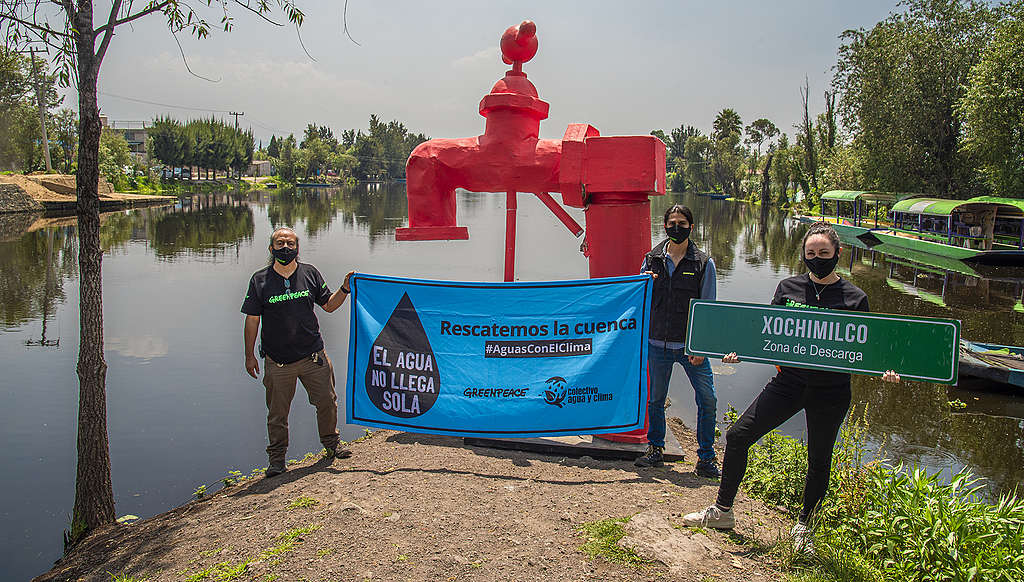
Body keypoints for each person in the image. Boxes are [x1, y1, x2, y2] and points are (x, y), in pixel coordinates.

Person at [682, 221, 900, 550]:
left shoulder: (856, 298)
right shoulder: (788, 288)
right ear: (803, 255)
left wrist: (886, 371)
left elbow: (868, 350)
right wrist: (737, 352)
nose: (817, 257)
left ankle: (803, 529)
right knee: (738, 435)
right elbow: (765, 336)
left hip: (831, 391)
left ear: (838, 254)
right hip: (789, 383)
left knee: (819, 459)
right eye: (811, 253)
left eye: (824, 253)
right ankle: (723, 511)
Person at [242, 226, 355, 477]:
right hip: (278, 362)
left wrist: (345, 288)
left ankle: (332, 444)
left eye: (290, 244)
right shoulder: (260, 280)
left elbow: (328, 306)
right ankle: (277, 459)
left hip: (313, 357)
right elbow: (252, 320)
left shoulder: (310, 273)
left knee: (327, 402)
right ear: (271, 248)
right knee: (277, 413)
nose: (285, 248)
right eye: (280, 244)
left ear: (297, 248)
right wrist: (249, 355)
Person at [635, 204, 721, 479]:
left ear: (691, 227)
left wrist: (701, 347)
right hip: (657, 343)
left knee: (707, 400)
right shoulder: (651, 259)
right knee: (656, 400)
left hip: (689, 348)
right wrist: (643, 281)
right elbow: (637, 296)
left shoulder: (704, 263)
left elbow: (709, 309)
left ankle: (706, 458)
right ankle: (655, 449)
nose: (676, 227)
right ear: (665, 225)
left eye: (682, 223)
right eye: (672, 222)